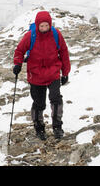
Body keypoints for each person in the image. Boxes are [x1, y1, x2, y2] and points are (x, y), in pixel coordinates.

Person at [12, 11, 71, 140]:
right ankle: (39, 128)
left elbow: (64, 52)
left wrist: (65, 72)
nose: (44, 28)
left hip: (53, 73)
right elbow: (19, 50)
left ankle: (57, 127)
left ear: (50, 24)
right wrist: (18, 63)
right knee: (39, 103)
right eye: (41, 26)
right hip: (36, 75)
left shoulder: (56, 34)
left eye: (46, 26)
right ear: (37, 25)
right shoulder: (30, 36)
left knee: (55, 99)